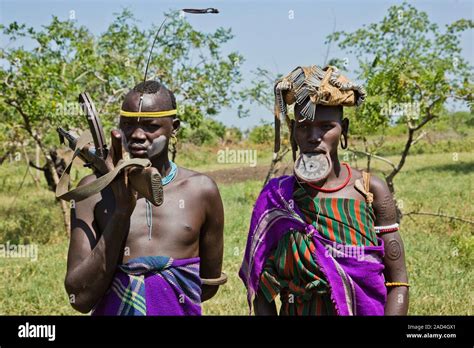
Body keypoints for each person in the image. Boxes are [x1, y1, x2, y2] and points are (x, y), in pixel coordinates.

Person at [239, 65, 409, 315]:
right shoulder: (277, 197)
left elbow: (399, 284)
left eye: (326, 126)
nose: (313, 136)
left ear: (344, 130)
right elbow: (261, 290)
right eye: (304, 126)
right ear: (293, 131)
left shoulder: (370, 190)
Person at [64, 80, 225, 315]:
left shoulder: (201, 190)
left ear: (174, 126)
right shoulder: (92, 191)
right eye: (128, 125)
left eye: (150, 126)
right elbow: (78, 297)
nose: (137, 135)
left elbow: (207, 284)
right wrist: (121, 212)